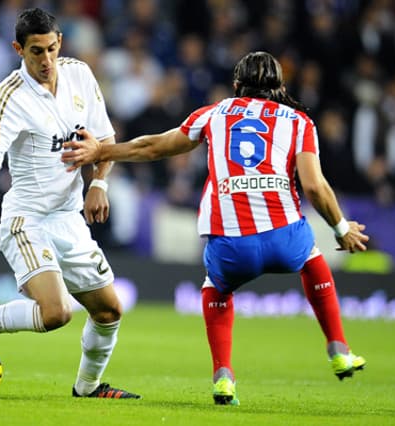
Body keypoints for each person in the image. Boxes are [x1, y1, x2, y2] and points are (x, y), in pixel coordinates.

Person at [62, 51, 369, 405]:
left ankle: (223, 375)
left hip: (231, 243)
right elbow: (315, 186)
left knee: (217, 289)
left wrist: (102, 150)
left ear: (236, 85)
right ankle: (338, 348)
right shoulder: (299, 121)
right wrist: (341, 227)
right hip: (284, 236)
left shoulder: (214, 113)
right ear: (280, 87)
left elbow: (153, 147)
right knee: (313, 258)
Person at [0, 7, 140, 400]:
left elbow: (104, 140)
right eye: (35, 52)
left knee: (109, 311)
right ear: (18, 49)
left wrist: (100, 184)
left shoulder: (79, 74)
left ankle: (89, 387)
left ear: (60, 41)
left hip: (68, 216)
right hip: (26, 218)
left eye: (51, 49)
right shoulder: (8, 96)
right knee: (56, 312)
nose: (46, 61)